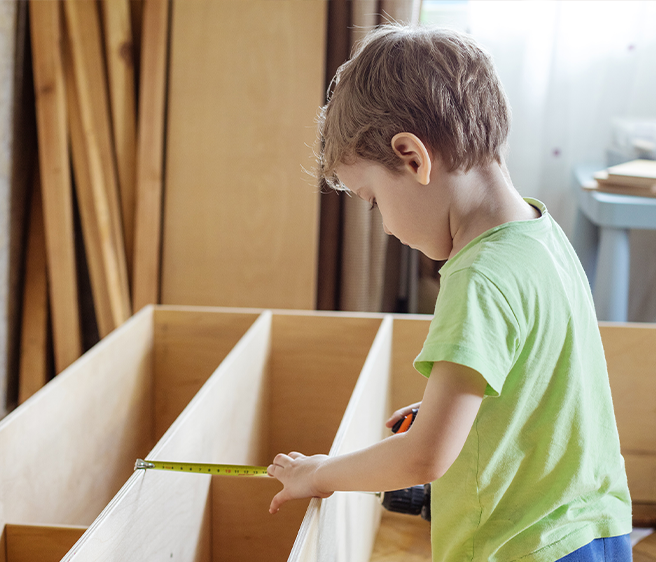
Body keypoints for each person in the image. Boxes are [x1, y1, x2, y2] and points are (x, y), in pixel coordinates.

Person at [266, 24, 633, 562]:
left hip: (520, 548)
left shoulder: (476, 278)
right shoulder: (541, 236)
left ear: (413, 158)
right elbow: (544, 374)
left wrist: (321, 473)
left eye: (373, 200)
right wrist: (449, 401)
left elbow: (423, 459)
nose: (386, 228)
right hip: (595, 528)